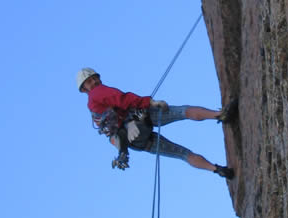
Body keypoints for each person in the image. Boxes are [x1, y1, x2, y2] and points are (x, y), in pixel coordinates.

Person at [76, 67, 237, 179]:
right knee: (182, 112)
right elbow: (122, 99)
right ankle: (220, 115)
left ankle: (217, 170)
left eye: (94, 79)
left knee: (182, 154)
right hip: (140, 119)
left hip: (135, 142)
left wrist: (123, 149)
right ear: (85, 89)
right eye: (89, 82)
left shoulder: (94, 112)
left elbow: (111, 136)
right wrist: (150, 102)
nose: (94, 83)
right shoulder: (97, 93)